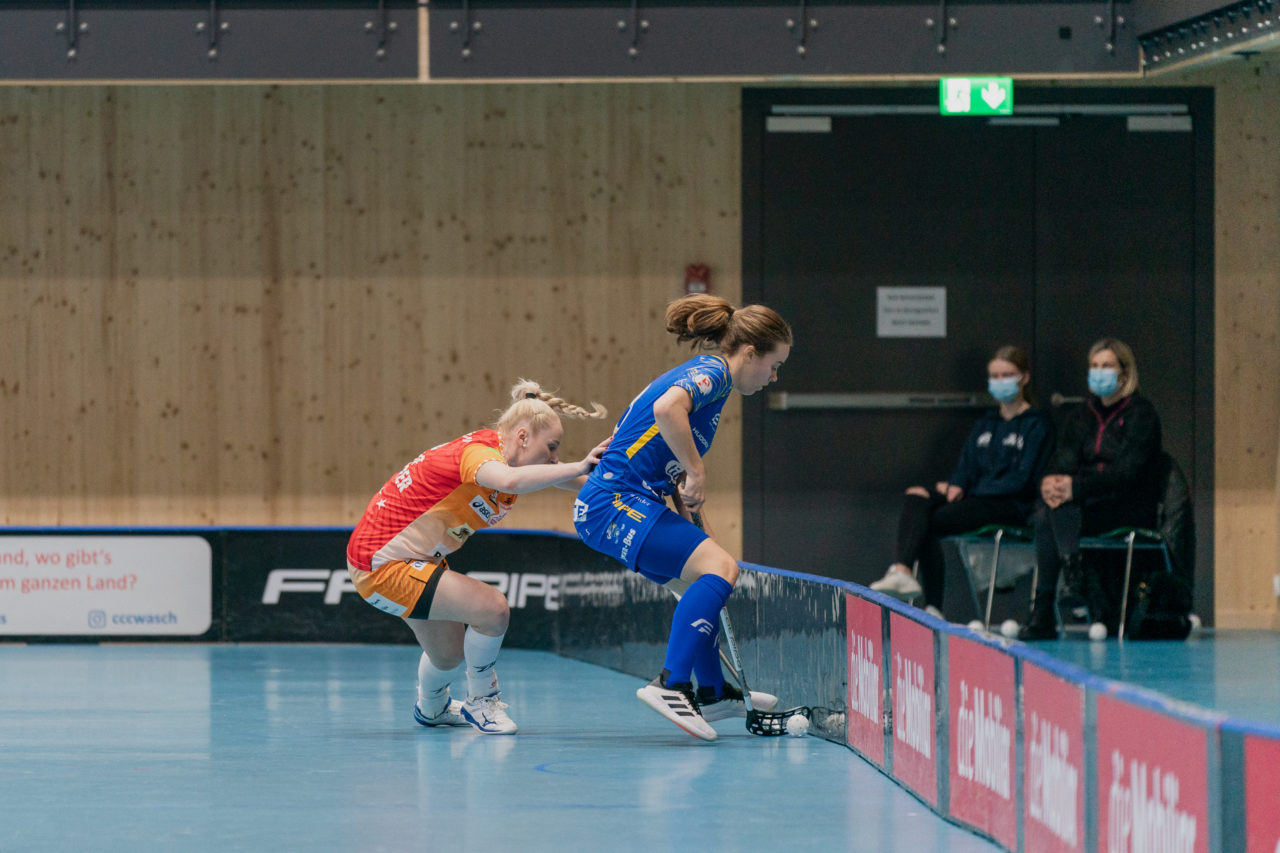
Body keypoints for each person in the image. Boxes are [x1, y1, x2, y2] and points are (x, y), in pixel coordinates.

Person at [573, 294, 789, 741]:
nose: (774, 376)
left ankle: (712, 692)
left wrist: (693, 515)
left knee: (702, 580)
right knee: (721, 569)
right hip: (614, 502)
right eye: (773, 364)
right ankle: (671, 686)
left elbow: (664, 457)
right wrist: (698, 469)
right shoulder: (713, 373)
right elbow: (666, 410)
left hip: (631, 501)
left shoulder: (714, 382)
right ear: (749, 353)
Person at [346, 380, 609, 734]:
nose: (554, 458)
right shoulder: (482, 456)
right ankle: (482, 701)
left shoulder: (499, 454)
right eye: (551, 447)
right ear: (522, 436)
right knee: (492, 609)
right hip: (382, 565)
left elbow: (552, 478)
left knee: (448, 655)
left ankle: (432, 708)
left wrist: (611, 483)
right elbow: (513, 481)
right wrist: (579, 466)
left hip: (407, 560)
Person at [869, 346, 1054, 620]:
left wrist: (966, 490)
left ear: (1024, 378)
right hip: (975, 497)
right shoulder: (985, 423)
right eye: (995, 375)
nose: (1000, 381)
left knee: (930, 521)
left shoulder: (1037, 424)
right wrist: (955, 485)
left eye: (1007, 374)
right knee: (918, 497)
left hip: (1011, 505)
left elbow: (1022, 480)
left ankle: (928, 600)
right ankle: (904, 573)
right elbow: (967, 466)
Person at [1020, 339, 1163, 640]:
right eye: (1095, 366)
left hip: (1127, 504)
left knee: (1055, 511)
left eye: (1107, 366)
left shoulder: (1141, 414)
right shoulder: (1081, 417)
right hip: (1084, 503)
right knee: (1049, 508)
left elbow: (1128, 473)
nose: (1099, 372)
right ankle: (1067, 582)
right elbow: (1063, 460)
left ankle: (1049, 605)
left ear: (1124, 373)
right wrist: (1052, 482)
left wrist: (1075, 487)